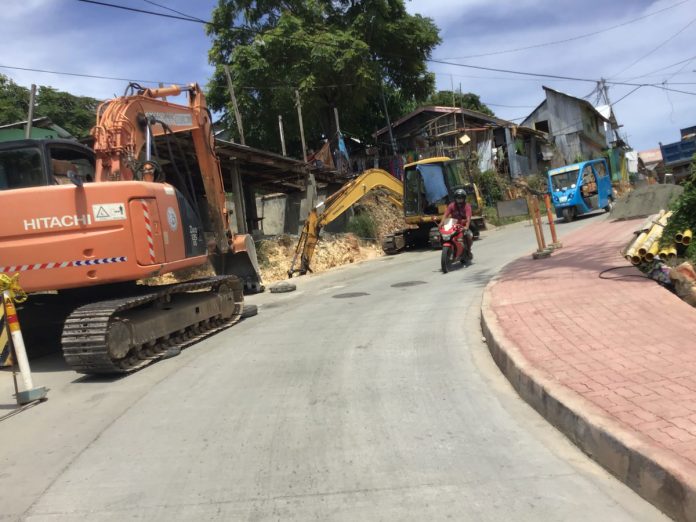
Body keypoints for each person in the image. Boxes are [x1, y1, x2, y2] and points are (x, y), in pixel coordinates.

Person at [440, 188, 473, 259]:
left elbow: (468, 217)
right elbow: (445, 215)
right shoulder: (451, 205)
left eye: (461, 198)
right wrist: (441, 223)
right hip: (454, 224)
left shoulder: (467, 206)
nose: (459, 200)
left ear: (464, 198)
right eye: (458, 198)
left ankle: (468, 251)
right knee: (444, 233)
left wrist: (466, 226)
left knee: (469, 236)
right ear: (455, 198)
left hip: (463, 225)